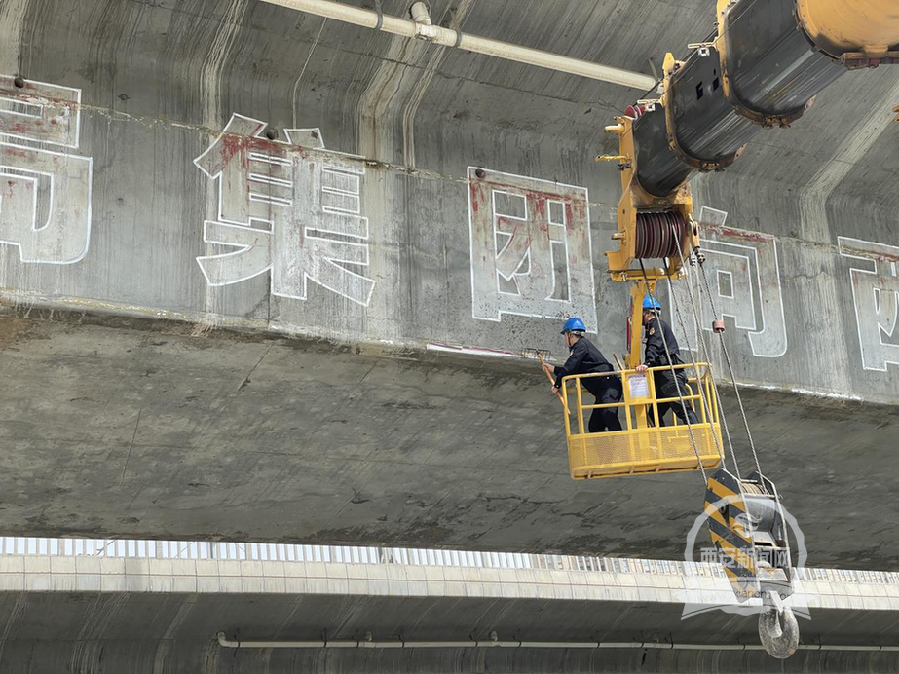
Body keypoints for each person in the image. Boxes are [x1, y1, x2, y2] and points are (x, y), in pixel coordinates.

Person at [543, 318, 622, 433]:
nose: (564, 339)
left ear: (570, 335)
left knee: (608, 416)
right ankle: (605, 451)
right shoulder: (581, 347)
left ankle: (623, 447)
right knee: (594, 426)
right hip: (603, 390)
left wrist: (557, 385)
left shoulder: (581, 346)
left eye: (565, 335)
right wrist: (553, 369)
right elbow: (574, 369)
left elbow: (570, 366)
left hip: (607, 386)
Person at [635, 296, 698, 427]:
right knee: (653, 415)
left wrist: (647, 363)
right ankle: (661, 442)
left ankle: (698, 438)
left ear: (647, 313)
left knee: (684, 410)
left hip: (670, 376)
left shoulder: (655, 323)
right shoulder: (656, 325)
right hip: (664, 377)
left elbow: (655, 343)